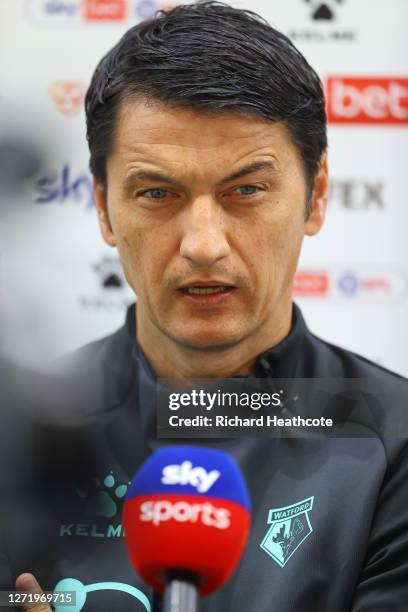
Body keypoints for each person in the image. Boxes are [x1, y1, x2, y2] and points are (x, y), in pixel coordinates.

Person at [2, 2, 407, 611]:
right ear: (105, 208)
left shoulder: (396, 444)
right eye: (157, 193)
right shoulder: (20, 438)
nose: (203, 245)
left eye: (245, 189)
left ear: (316, 195)